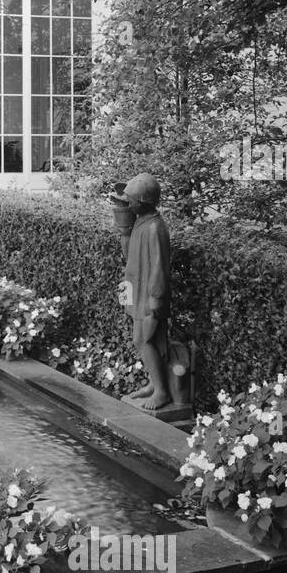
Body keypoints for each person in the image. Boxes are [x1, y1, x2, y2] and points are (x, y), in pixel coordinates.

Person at [113, 173, 172, 412]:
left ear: (144, 201)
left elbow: (160, 267)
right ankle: (154, 384)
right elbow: (128, 259)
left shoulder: (156, 227)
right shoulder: (139, 222)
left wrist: (156, 298)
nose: (126, 203)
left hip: (151, 296)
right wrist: (125, 232)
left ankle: (162, 392)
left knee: (143, 339)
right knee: (147, 340)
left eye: (130, 200)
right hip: (138, 293)